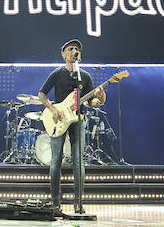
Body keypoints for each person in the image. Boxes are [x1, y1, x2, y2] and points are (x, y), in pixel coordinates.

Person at [38, 39, 106, 216]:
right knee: (56, 161)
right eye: (70, 49)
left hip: (78, 119)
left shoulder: (85, 77)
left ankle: (78, 204)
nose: (74, 51)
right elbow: (41, 94)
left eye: (77, 49)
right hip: (59, 119)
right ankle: (55, 203)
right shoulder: (57, 73)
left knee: (79, 161)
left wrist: (101, 97)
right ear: (63, 54)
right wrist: (53, 109)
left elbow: (93, 102)